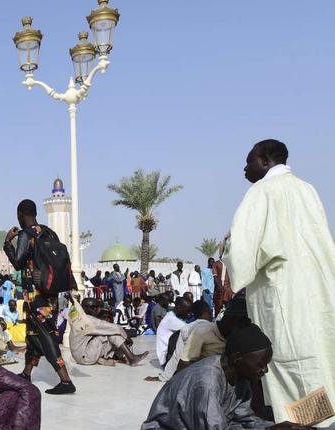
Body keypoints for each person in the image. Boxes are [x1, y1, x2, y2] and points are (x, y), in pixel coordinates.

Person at [224, 139, 335, 425]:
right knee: (317, 357)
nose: (244, 167)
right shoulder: (307, 189)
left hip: (283, 294)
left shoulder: (262, 191)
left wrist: (230, 275)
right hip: (318, 291)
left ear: (264, 160)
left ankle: (304, 424)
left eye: (249, 160)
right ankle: (322, 421)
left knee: (291, 362)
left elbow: (243, 247)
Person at [142, 324, 312, 430]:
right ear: (237, 357)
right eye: (260, 364)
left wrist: (272, 428)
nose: (265, 370)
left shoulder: (241, 377)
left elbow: (242, 419)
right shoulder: (206, 382)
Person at [3, 199, 76, 395]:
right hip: (51, 294)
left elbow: (18, 263)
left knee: (46, 336)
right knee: (33, 335)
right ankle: (27, 373)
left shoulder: (26, 234)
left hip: (36, 297)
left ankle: (66, 380)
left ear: (20, 214)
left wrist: (7, 243)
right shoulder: (49, 232)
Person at [146, 299, 213, 382]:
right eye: (187, 311)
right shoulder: (215, 328)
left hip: (194, 368)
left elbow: (177, 355)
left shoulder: (185, 326)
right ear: (208, 311)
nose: (188, 314)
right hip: (167, 359)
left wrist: (164, 377)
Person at [68, 298, 149, 366]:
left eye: (97, 306)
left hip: (80, 355)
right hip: (85, 356)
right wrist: (126, 337)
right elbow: (116, 328)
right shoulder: (88, 321)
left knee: (108, 334)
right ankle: (131, 358)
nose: (96, 309)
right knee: (112, 333)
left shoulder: (79, 317)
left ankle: (124, 356)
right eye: (92, 307)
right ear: (84, 308)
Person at [156, 297, 192, 367]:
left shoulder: (171, 315)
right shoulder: (171, 320)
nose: (189, 314)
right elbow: (192, 330)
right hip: (166, 361)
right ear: (179, 307)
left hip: (167, 357)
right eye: (187, 311)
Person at [212, 246, 234, 316]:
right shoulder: (216, 264)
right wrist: (219, 286)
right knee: (218, 307)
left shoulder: (230, 263)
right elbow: (215, 277)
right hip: (219, 289)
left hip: (228, 289)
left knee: (229, 308)